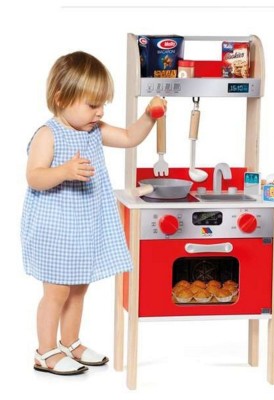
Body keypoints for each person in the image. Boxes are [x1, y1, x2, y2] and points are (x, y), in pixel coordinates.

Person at [21, 51, 165, 375]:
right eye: (92, 105)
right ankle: (44, 352)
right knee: (56, 292)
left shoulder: (94, 130)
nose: (99, 112)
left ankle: (70, 342)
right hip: (54, 229)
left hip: (83, 226)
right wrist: (65, 171)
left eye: (102, 105)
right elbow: (34, 176)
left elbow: (129, 137)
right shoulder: (48, 134)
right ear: (62, 97)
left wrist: (149, 116)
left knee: (79, 287)